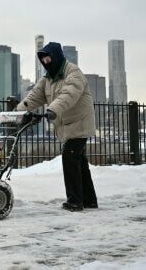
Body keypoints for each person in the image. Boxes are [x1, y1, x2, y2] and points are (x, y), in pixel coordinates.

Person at [17, 42, 98, 212]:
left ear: (56, 56)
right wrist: (16, 113)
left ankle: (75, 201)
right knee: (79, 162)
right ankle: (89, 200)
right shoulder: (48, 78)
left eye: (48, 57)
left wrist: (52, 109)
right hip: (67, 125)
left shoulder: (73, 72)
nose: (46, 61)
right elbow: (33, 97)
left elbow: (68, 94)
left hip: (80, 123)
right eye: (43, 59)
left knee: (69, 157)